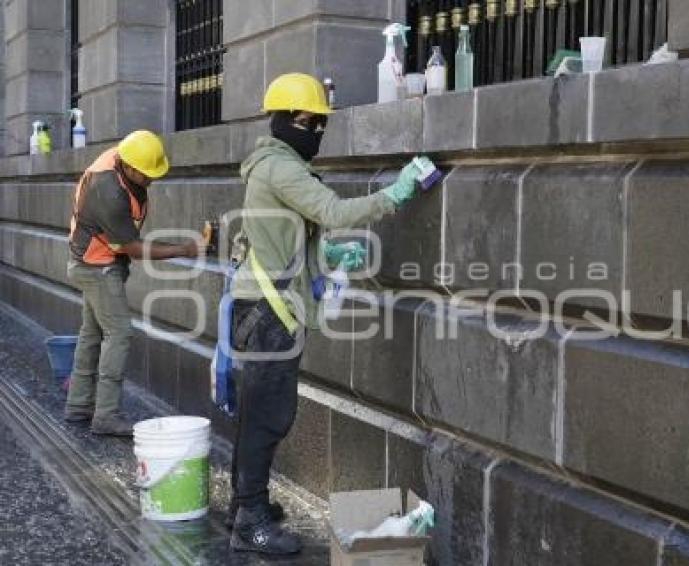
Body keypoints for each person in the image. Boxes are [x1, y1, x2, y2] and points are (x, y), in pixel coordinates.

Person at [227, 73, 433, 555]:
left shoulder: (277, 163)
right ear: (279, 119)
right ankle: (251, 519)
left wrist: (331, 256)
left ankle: (246, 503)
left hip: (265, 305)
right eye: (306, 120)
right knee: (268, 414)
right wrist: (396, 194)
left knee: (261, 411)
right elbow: (334, 212)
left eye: (320, 122)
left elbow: (289, 236)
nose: (315, 129)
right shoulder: (280, 167)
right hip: (268, 312)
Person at [64, 130, 201, 436]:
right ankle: (105, 416)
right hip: (96, 267)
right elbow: (134, 249)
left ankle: (78, 406)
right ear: (128, 167)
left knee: (91, 333)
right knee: (119, 332)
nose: (152, 179)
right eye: (147, 174)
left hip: (91, 261)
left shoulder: (126, 157)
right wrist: (184, 249)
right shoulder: (108, 190)